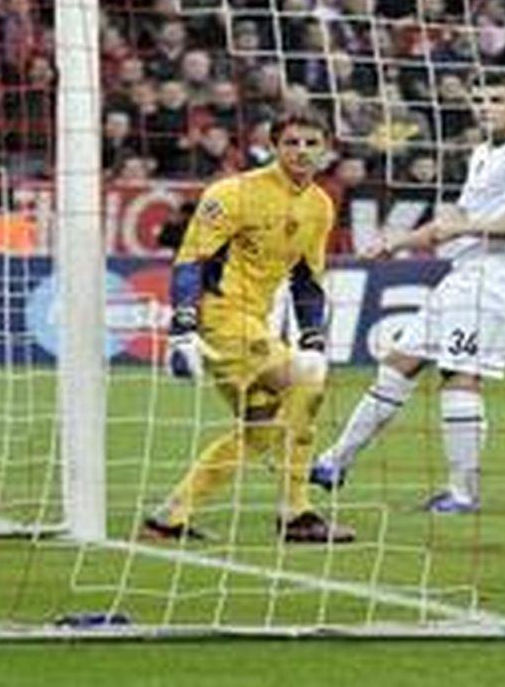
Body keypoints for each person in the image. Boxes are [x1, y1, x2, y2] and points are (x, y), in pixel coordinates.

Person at [310, 71, 505, 513]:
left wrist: (463, 228)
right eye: (479, 99)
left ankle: (462, 494)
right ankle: (335, 462)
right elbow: (453, 220)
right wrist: (397, 241)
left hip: (499, 280)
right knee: (399, 364)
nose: (486, 108)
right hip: (465, 274)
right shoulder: (483, 152)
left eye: (497, 99)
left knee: (459, 375)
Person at [142, 109, 355, 544]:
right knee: (307, 381)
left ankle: (170, 516)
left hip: (254, 324)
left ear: (326, 150)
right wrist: (182, 327)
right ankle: (296, 512)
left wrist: (312, 336)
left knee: (261, 430)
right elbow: (191, 260)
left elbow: (307, 279)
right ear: (273, 147)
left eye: (311, 143)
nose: (301, 151)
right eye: (291, 142)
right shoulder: (233, 192)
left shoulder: (320, 205)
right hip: (221, 318)